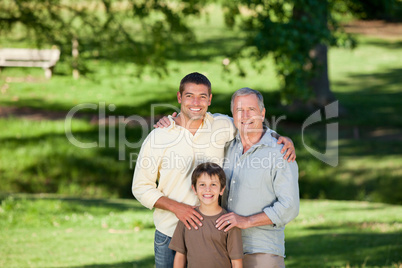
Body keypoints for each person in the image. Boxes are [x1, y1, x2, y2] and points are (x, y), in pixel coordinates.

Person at [132, 72, 295, 267]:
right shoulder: (158, 137)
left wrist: (280, 138)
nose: (196, 102)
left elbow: (251, 124)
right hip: (170, 233)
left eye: (202, 96)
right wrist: (178, 209)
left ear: (209, 100)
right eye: (189, 96)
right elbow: (140, 187)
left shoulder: (222, 125)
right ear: (179, 98)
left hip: (213, 235)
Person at [215, 87, 300, 268]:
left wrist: (246, 221)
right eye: (239, 110)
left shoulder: (280, 152)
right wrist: (170, 121)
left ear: (262, 113)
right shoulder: (226, 145)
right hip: (225, 249)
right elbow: (195, 116)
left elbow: (290, 206)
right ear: (232, 114)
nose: (245, 115)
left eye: (251, 109)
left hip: (262, 250)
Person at [169, 162, 243, 268]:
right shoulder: (187, 218)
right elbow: (180, 255)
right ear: (194, 189)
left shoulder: (229, 221)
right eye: (202, 184)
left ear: (222, 189)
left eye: (213, 184)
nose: (207, 189)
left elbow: (236, 262)